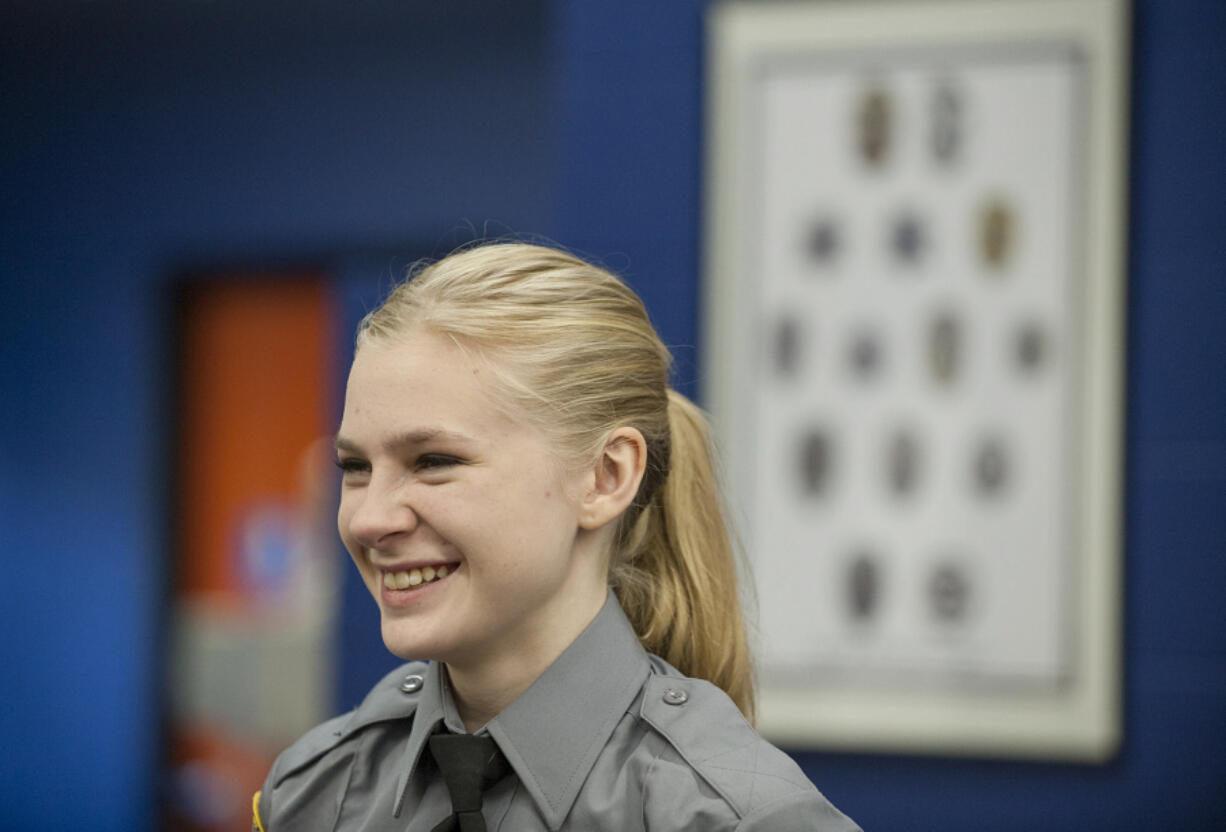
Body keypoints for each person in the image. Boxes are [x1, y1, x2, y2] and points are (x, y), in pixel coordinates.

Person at [253, 242, 860, 831]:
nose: (368, 519)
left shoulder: (734, 818)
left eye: (434, 460)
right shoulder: (317, 792)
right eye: (355, 468)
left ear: (605, 477)